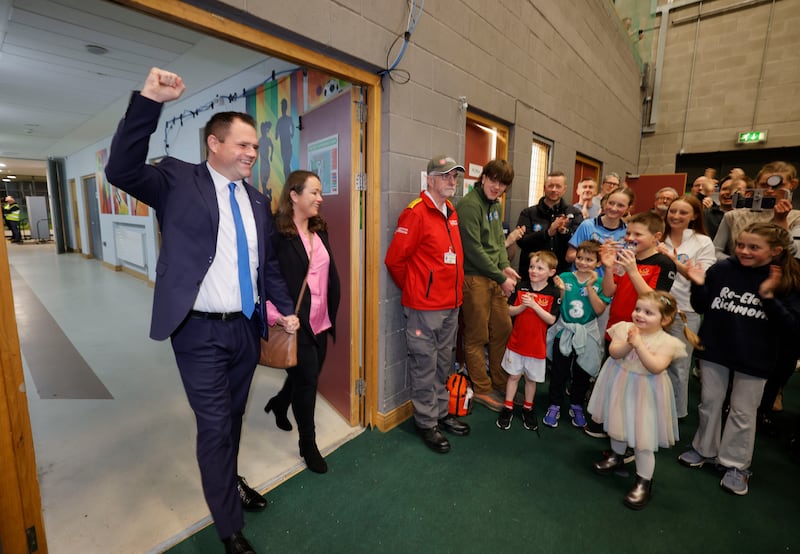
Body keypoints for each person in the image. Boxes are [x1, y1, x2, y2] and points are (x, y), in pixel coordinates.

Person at [104, 67, 299, 554]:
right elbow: (121, 170)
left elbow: (266, 263)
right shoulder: (176, 179)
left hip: (244, 332)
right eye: (244, 145)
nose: (253, 154)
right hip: (197, 333)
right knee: (214, 425)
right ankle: (229, 528)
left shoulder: (256, 199)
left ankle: (227, 481)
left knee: (231, 418)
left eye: (255, 147)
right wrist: (149, 100)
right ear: (214, 144)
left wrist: (283, 308)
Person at [679, 223, 800, 495]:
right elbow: (702, 305)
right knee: (709, 402)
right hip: (716, 349)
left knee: (743, 411)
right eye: (741, 245)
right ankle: (704, 448)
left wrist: (768, 297)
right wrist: (698, 285)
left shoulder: (785, 278)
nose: (744, 251)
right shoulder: (723, 269)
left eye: (753, 247)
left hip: (755, 356)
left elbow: (791, 327)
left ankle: (735, 464)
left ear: (775, 251)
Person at [384, 155, 471, 453]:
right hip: (425, 308)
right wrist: (418, 291)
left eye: (454, 177)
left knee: (442, 363)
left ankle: (441, 413)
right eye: (445, 175)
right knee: (424, 365)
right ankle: (426, 422)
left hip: (451, 305)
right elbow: (394, 261)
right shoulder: (416, 213)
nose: (451, 181)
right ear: (430, 179)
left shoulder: (451, 212)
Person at [263, 170, 340, 473]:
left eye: (320, 193)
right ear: (294, 196)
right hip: (296, 323)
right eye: (314, 192)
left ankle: (279, 403)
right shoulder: (277, 234)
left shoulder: (320, 229)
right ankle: (308, 444)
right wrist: (277, 315)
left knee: (303, 375)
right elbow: (265, 279)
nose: (321, 198)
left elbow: (324, 276)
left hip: (321, 321)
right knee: (307, 383)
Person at [588, 291, 695, 509]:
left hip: (645, 391)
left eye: (648, 312)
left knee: (643, 439)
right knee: (617, 422)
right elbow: (614, 352)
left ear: (664, 319)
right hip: (620, 382)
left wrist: (638, 344)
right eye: (638, 309)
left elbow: (655, 366)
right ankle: (616, 455)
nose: (640, 315)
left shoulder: (667, 342)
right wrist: (630, 342)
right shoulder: (625, 328)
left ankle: (644, 481)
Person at [457, 159, 520, 411]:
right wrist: (501, 277)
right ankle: (482, 388)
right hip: (475, 279)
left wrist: (504, 267)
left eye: (502, 183)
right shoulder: (469, 206)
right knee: (477, 336)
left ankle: (500, 380)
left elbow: (498, 241)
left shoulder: (495, 204)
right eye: (493, 180)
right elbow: (473, 251)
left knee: (502, 329)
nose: (497, 186)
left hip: (494, 276)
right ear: (483, 178)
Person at [656, 195, 715, 419]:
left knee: (679, 366)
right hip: (655, 309)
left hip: (685, 310)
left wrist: (672, 260)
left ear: (695, 216)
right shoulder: (659, 236)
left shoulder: (702, 242)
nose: (676, 216)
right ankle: (652, 412)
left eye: (683, 212)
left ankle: (674, 416)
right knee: (653, 362)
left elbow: (700, 278)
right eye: (673, 211)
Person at [544, 240, 609, 429]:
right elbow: (558, 305)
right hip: (564, 330)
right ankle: (554, 404)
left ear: (598, 263)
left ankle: (576, 404)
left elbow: (598, 310)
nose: (582, 262)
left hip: (587, 332)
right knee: (559, 371)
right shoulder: (564, 277)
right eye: (580, 258)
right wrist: (561, 291)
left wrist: (589, 288)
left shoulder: (598, 282)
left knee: (582, 372)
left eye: (589, 259)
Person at [496, 251, 561, 431]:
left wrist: (534, 306)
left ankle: (528, 408)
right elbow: (509, 311)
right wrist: (523, 306)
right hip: (517, 343)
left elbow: (551, 320)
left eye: (540, 268)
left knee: (531, 380)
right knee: (514, 376)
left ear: (551, 272)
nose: (533, 270)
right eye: (532, 266)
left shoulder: (553, 293)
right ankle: (508, 407)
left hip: (537, 346)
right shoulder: (521, 287)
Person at [713, 161, 800, 261]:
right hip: (738, 273)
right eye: (763, 185)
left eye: (778, 185)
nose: (770, 190)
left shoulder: (797, 218)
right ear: (756, 185)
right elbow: (715, 252)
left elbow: (793, 255)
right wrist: (740, 262)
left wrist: (781, 222)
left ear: (792, 184)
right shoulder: (733, 216)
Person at [515, 170, 583, 275]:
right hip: (532, 274)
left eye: (558, 186)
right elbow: (522, 241)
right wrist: (547, 233)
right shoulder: (528, 213)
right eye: (550, 186)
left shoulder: (574, 213)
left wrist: (564, 232)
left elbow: (579, 244)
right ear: (544, 187)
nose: (554, 189)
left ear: (564, 189)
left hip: (561, 274)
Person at [566, 187, 633, 265]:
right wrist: (600, 251)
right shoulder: (588, 225)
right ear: (605, 203)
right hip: (586, 276)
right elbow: (569, 257)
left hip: (612, 276)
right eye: (611, 203)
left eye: (620, 205)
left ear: (628, 209)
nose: (614, 208)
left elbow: (629, 263)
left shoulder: (629, 231)